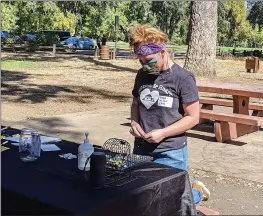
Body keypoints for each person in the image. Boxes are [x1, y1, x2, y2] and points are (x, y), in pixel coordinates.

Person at [128, 23, 210, 204]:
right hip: (141, 149)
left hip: (171, 152)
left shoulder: (183, 78)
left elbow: (193, 117)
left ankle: (196, 192)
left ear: (163, 53)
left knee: (173, 202)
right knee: (142, 199)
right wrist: (134, 122)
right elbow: (135, 102)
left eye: (149, 60)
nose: (145, 65)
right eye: (140, 60)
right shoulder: (141, 74)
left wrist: (163, 133)